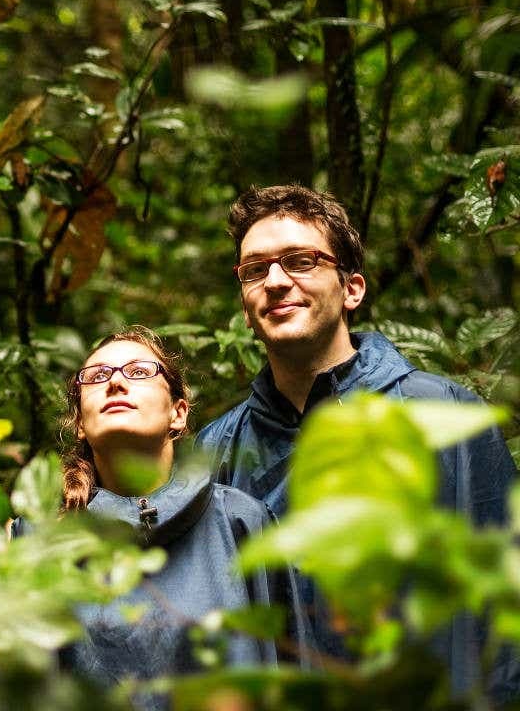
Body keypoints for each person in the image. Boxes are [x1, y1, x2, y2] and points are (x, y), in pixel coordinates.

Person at [194, 184, 516, 691]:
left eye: (299, 261)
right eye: (255, 269)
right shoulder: (216, 450)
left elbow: (504, 605)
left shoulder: (443, 414)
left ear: (352, 289)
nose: (275, 281)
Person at [15, 328, 309, 708]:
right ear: (81, 426)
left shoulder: (240, 521)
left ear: (178, 413)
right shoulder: (43, 535)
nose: (117, 382)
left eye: (138, 371)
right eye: (97, 376)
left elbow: (292, 673)